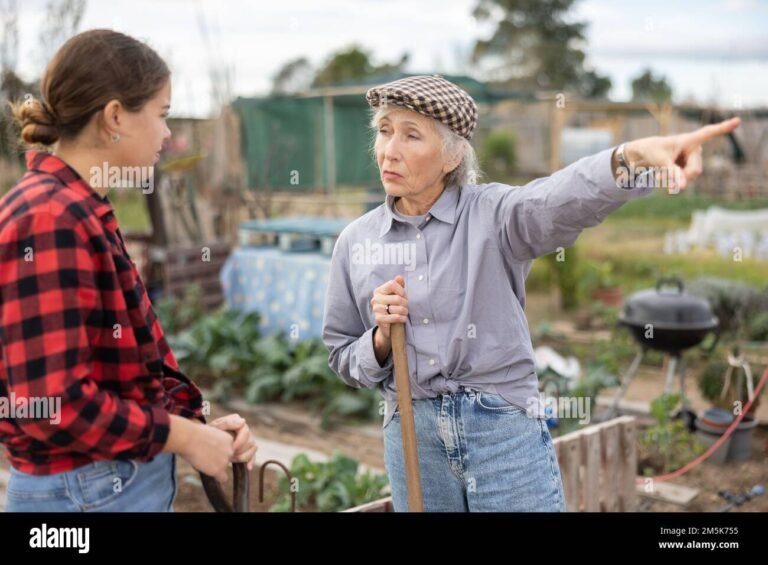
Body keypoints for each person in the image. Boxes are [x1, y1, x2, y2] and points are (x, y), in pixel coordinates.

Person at [322, 74, 740, 512]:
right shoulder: (356, 242)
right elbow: (341, 354)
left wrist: (630, 157)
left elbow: (559, 198)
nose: (389, 149)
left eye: (411, 135)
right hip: (412, 433)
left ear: (452, 156)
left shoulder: (496, 215)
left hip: (500, 431)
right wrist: (381, 341)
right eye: (384, 131)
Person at [0, 29, 256, 512]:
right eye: (161, 115)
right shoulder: (51, 220)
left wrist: (194, 426)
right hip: (86, 495)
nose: (167, 133)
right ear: (115, 116)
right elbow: (54, 406)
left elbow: (123, 364)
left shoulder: (78, 207)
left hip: (103, 484)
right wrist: (179, 435)